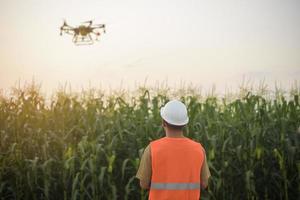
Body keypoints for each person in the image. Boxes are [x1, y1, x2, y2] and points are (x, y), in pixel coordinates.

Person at [136, 100, 211, 200]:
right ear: (184, 124)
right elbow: (204, 183)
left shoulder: (152, 149)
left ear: (163, 123)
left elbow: (144, 184)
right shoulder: (199, 149)